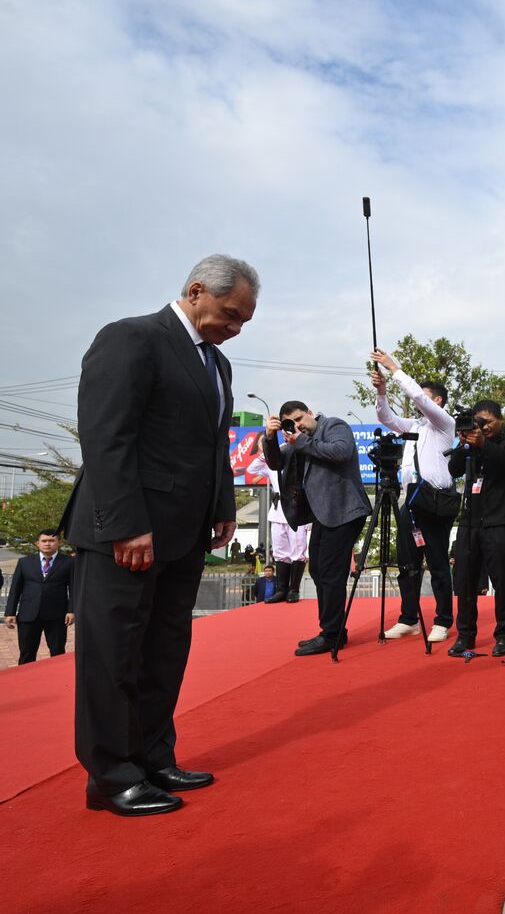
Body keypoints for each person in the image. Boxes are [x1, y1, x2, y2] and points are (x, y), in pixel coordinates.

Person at [61, 254, 257, 817]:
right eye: (229, 314)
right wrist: (126, 525)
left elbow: (212, 444)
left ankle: (153, 756)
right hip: (126, 532)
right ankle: (111, 775)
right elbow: (106, 436)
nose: (235, 328)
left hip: (185, 533)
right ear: (196, 291)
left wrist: (222, 508)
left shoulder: (216, 365)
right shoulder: (132, 338)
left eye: (244, 320)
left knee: (164, 651)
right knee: (114, 655)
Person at [263, 400, 371, 656]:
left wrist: (300, 441)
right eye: (292, 423)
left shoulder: (333, 425)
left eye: (301, 418)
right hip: (323, 515)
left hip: (344, 511)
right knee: (319, 570)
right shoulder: (299, 441)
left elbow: (341, 451)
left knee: (332, 573)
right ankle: (332, 630)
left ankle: (332, 635)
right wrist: (269, 437)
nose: (298, 425)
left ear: (311, 413)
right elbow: (276, 463)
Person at [370, 350, 458, 644]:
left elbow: (418, 399)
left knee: (437, 565)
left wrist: (394, 367)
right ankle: (409, 618)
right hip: (411, 503)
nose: (419, 398)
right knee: (408, 564)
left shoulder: (443, 423)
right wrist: (382, 392)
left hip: (435, 503)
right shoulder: (415, 426)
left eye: (425, 395)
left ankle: (443, 620)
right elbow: (385, 418)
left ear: (438, 401)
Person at [446, 400, 505, 657]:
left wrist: (483, 444)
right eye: (479, 422)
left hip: (499, 521)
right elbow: (453, 469)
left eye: (487, 422)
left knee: (502, 581)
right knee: (465, 581)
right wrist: (463, 443)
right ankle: (465, 636)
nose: (483, 427)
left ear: (500, 420)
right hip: (469, 521)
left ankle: (503, 635)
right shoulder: (470, 443)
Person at [244, 433, 310, 603]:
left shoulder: (301, 456)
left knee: (298, 551)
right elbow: (251, 469)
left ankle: (293, 590)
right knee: (280, 552)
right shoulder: (273, 462)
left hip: (297, 510)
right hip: (278, 509)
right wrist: (268, 451)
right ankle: (281, 590)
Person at [4, 529, 74, 663]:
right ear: (37, 543)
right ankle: (24, 681)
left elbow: (74, 588)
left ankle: (57, 681)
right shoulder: (24, 563)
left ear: (59, 542)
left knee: (58, 653)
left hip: (57, 615)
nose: (48, 544)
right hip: (28, 614)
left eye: (52, 540)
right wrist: (10, 612)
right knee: (26, 654)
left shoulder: (69, 562)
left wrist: (71, 610)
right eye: (44, 541)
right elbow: (15, 589)